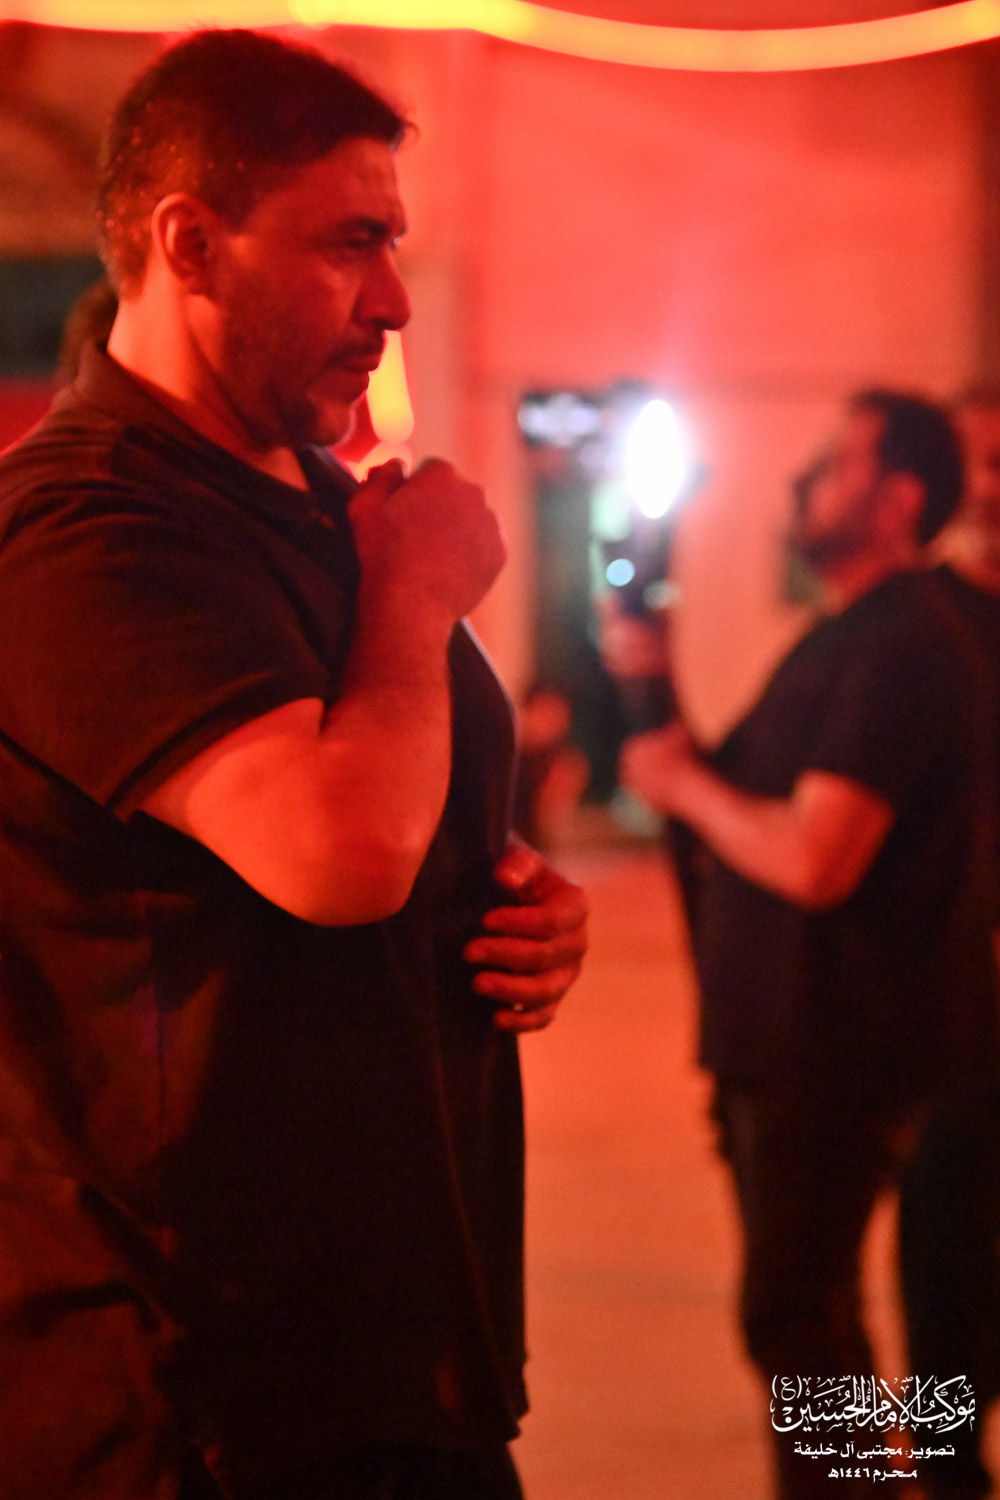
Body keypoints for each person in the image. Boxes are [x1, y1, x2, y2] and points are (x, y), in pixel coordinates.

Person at [0, 29, 588, 1500]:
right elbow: (336, 854)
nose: (393, 299)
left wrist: (506, 899)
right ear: (191, 244)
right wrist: (418, 594)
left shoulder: (328, 508)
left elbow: (390, 816)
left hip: (391, 1352)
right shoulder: (82, 532)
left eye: (394, 242)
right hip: (198, 1396)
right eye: (349, 244)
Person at [622, 389, 1000, 1500]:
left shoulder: (905, 646)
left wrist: (683, 787)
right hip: (787, 1041)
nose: (802, 481)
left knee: (809, 1312)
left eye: (835, 463)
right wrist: (651, 674)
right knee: (812, 1314)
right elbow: (730, 804)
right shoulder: (843, 638)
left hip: (839, 1047)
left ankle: (905, 1477)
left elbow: (812, 858)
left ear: (896, 501)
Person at [893, 386, 1000, 1500]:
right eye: (982, 462)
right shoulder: (915, 623)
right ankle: (936, 1461)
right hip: (941, 993)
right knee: (942, 1245)